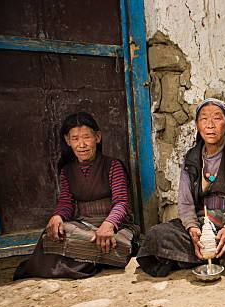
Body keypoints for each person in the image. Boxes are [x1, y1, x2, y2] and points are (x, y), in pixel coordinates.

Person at [137, 98, 225, 276]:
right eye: (204, 119)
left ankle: (193, 258)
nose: (210, 125)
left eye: (217, 118)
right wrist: (193, 229)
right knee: (156, 235)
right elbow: (185, 203)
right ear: (197, 125)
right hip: (202, 222)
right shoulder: (191, 159)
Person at [14, 112, 140, 280]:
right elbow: (66, 202)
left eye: (86, 137)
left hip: (115, 226)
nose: (82, 144)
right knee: (55, 232)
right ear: (68, 141)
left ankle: (86, 256)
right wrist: (57, 216)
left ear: (97, 137)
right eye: (75, 139)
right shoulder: (67, 171)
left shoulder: (112, 166)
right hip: (84, 226)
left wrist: (109, 224)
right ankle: (96, 257)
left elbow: (121, 202)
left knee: (119, 243)